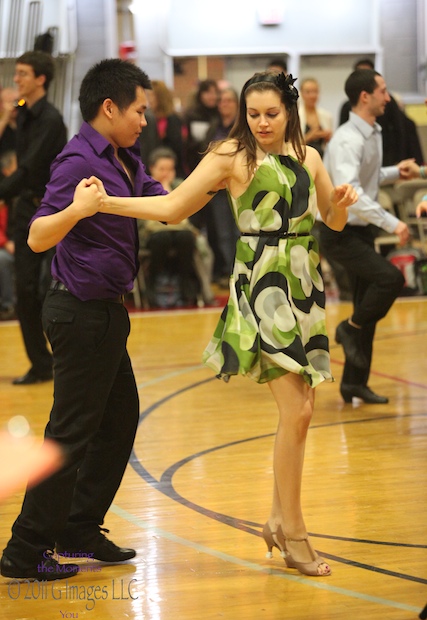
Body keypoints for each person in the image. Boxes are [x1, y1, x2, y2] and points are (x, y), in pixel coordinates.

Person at [85, 70, 358, 577]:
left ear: (289, 112)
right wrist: (105, 203)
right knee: (296, 411)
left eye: (271, 114)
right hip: (263, 286)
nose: (261, 123)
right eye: (252, 114)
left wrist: (339, 207)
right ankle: (294, 532)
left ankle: (279, 519)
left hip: (303, 286)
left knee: (303, 409)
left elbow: (330, 220)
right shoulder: (232, 157)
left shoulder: (309, 156)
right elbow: (172, 207)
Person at [0, 57, 167, 581]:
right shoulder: (77, 160)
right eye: (139, 110)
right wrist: (77, 210)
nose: (145, 120)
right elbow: (35, 235)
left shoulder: (125, 157)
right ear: (109, 107)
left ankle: (76, 528)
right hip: (79, 314)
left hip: (106, 317)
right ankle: (23, 551)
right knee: (69, 435)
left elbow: (163, 204)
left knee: (117, 422)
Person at [319, 68, 419, 405]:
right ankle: (349, 328)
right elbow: (352, 192)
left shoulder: (370, 132)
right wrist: (395, 224)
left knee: (367, 305)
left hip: (360, 231)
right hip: (339, 231)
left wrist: (395, 171)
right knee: (389, 279)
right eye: (383, 91)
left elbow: (369, 175)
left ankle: (353, 383)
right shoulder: (348, 138)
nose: (387, 98)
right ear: (366, 96)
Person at [0, 51, 68, 385]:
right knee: (24, 290)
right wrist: (5, 119)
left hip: (49, 209)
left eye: (23, 74)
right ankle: (41, 364)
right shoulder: (23, 113)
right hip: (23, 209)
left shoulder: (51, 119)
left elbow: (28, 168)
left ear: (41, 79)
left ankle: (62, 359)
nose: (17, 80)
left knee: (51, 289)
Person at [139, 147, 213, 307]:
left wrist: (169, 188)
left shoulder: (180, 184)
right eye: (162, 169)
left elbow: (185, 219)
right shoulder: (144, 186)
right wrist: (163, 189)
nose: (166, 173)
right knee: (162, 238)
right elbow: (148, 220)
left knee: (185, 237)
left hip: (180, 232)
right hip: (154, 234)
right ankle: (154, 282)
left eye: (170, 169)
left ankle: (186, 284)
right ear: (152, 168)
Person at [339, 59, 424, 166]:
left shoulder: (376, 131)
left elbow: (401, 130)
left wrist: (398, 167)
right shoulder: (346, 140)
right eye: (382, 92)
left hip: (388, 161)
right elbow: (350, 181)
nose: (387, 98)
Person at [203, 87, 240, 284]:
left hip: (239, 186)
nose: (224, 104)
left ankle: (242, 270)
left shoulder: (243, 127)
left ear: (237, 104)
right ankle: (229, 270)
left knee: (240, 230)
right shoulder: (213, 126)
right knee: (223, 233)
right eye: (221, 101)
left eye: (228, 100)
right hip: (217, 188)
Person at [139, 79, 187, 178]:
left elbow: (176, 146)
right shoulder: (146, 116)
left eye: (153, 95)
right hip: (150, 166)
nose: (150, 99)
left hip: (168, 167)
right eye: (148, 96)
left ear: (161, 97)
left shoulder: (172, 119)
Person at [0, 150, 17, 319]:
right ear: (6, 171)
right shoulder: (3, 194)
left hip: (25, 243)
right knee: (2, 259)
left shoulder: (26, 194)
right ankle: (8, 305)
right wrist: (6, 243)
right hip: (5, 245)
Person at [298, 77, 333, 158]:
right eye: (308, 92)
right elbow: (289, 145)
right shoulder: (296, 116)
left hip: (322, 158)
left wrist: (328, 137)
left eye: (315, 92)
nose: (312, 96)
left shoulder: (326, 116)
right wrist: (309, 136)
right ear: (301, 93)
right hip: (301, 159)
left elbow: (329, 144)